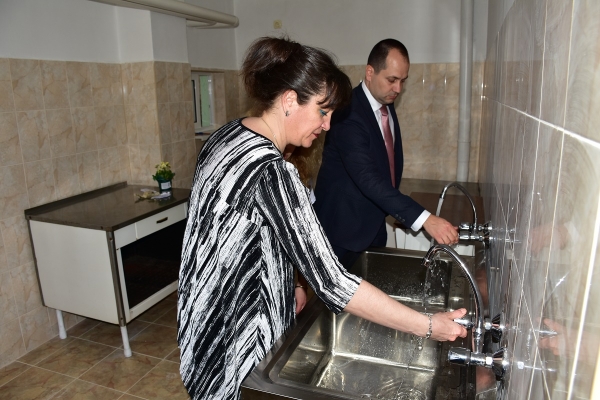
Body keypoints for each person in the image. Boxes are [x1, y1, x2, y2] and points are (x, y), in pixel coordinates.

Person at [177, 36, 467, 400]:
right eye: (322, 111)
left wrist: (291, 283)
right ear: (289, 101)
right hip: (237, 345)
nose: (328, 125)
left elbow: (241, 234)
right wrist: (428, 325)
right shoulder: (273, 173)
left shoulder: (226, 136)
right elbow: (334, 283)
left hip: (200, 320)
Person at [314, 38, 459, 270]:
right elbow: (367, 178)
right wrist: (425, 219)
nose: (398, 89)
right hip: (341, 233)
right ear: (370, 72)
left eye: (403, 81)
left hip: (372, 226)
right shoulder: (347, 113)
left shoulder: (385, 103)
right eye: (392, 80)